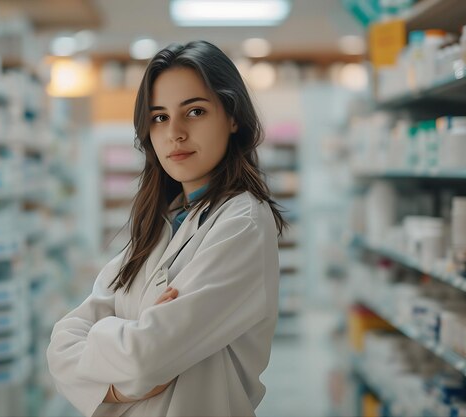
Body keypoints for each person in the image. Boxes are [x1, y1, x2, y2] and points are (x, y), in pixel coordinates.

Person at [46, 40, 286, 417]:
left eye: (194, 111)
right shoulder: (163, 223)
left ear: (233, 116)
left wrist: (107, 340)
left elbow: (147, 357)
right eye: (159, 117)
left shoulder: (243, 224)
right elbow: (60, 344)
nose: (174, 132)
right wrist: (121, 387)